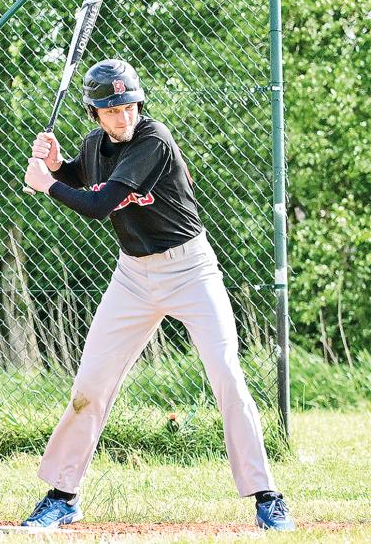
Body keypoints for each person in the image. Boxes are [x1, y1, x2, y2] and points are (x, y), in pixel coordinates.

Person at [20, 59, 295, 531]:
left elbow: (100, 205)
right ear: (94, 113)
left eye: (127, 106)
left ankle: (266, 496)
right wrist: (55, 167)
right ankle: (63, 495)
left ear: (139, 104)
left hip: (191, 269)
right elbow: (79, 177)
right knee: (91, 384)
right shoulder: (94, 145)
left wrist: (45, 186)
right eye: (110, 110)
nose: (121, 116)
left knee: (227, 374)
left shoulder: (154, 140)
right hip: (133, 276)